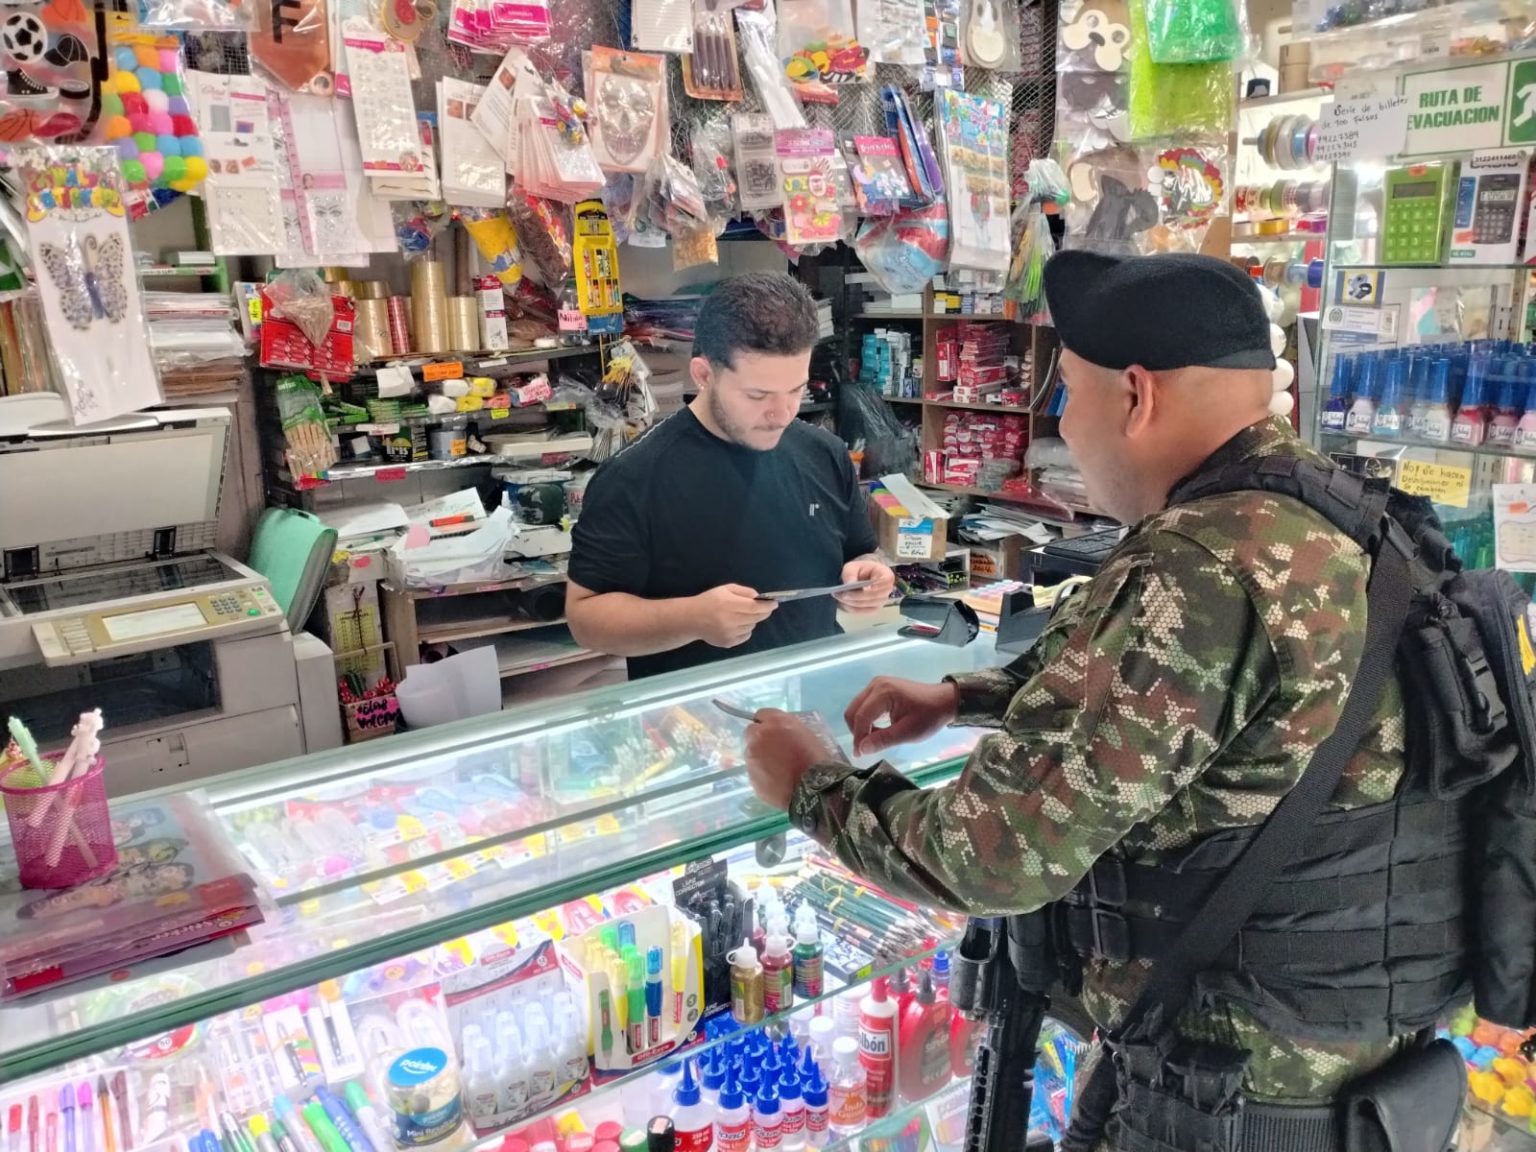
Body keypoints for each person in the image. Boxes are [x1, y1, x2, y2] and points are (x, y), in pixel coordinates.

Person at [742, 253, 1464, 1149]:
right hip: (1365, 1075)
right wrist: (965, 696)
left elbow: (989, 860)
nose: (1062, 423)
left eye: (1068, 393)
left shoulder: (1199, 567)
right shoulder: (1345, 513)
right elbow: (1208, 704)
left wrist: (810, 784)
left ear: (1136, 395)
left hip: (1231, 1098)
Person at [566, 272, 895, 679]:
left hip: (813, 689)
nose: (783, 413)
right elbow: (585, 619)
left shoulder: (825, 452)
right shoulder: (633, 476)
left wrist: (868, 574)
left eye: (796, 390)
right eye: (758, 395)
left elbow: (859, 552)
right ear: (704, 375)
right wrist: (691, 618)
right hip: (693, 706)